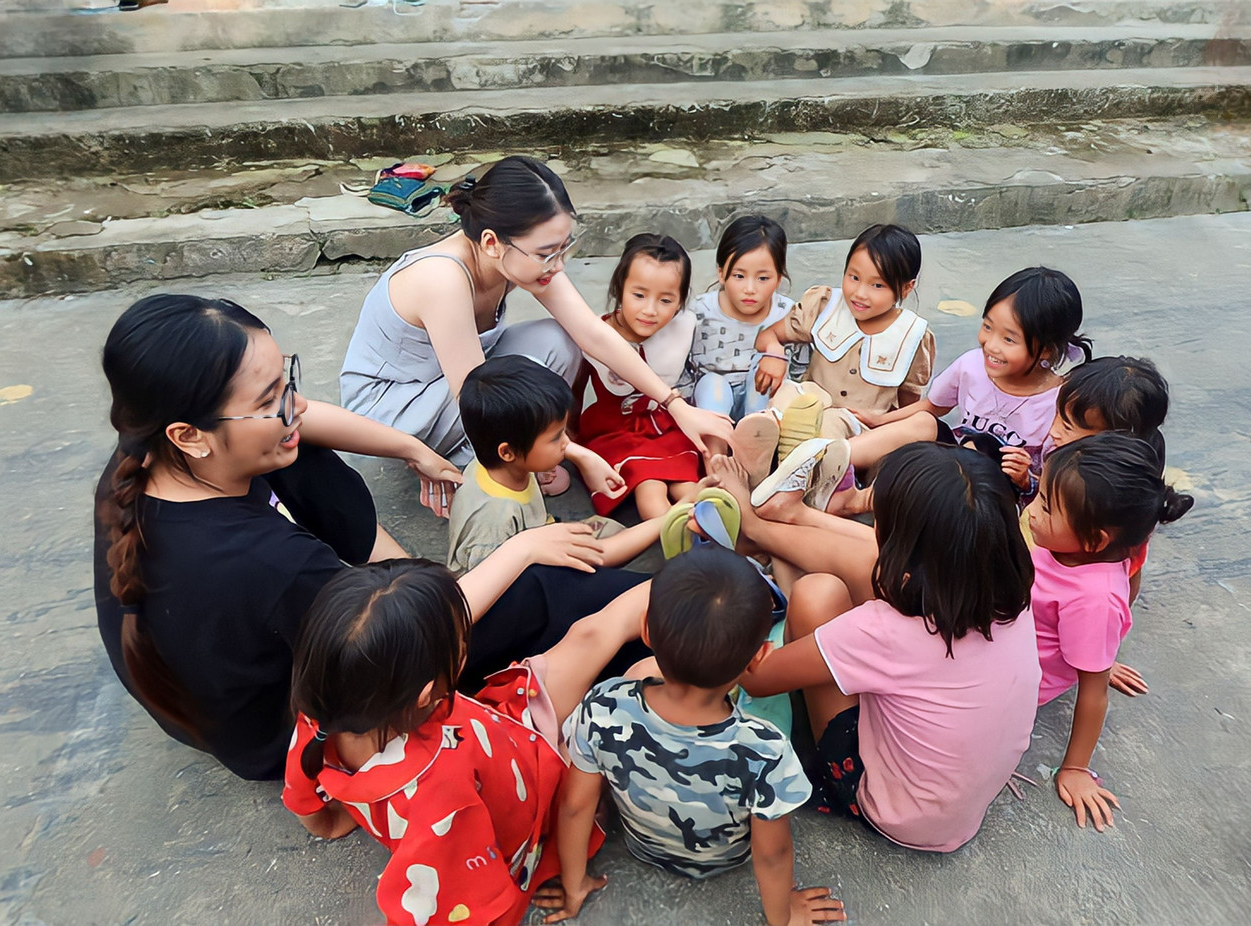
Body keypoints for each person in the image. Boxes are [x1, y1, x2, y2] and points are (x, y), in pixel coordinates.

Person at [93, 294, 623, 781]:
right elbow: (414, 627)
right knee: (534, 587)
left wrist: (410, 449)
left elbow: (306, 419)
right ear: (188, 434)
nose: (295, 404)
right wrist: (521, 547)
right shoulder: (270, 564)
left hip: (242, 684)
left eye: (287, 382)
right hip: (294, 735)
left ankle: (395, 570)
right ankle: (651, 620)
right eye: (271, 399)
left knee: (300, 447)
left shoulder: (148, 458)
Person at [282, 562, 650, 926]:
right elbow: (455, 909)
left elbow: (309, 806)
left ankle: (694, 583)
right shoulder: (441, 799)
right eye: (460, 645)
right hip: (536, 784)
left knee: (595, 633)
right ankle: (695, 585)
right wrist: (572, 880)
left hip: (500, 734)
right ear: (426, 694)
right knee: (618, 664)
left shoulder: (321, 716)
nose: (465, 647)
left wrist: (334, 823)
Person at [339, 155, 731, 483]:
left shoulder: (518, 259)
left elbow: (591, 333)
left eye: (564, 248)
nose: (557, 265)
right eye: (547, 253)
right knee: (521, 379)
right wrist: (578, 454)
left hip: (459, 380)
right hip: (395, 407)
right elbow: (478, 394)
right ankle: (487, 458)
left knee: (561, 340)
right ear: (492, 241)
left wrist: (675, 404)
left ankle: (507, 448)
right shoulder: (441, 279)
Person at [739, 443, 1042, 852]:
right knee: (863, 569)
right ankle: (767, 528)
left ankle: (759, 536)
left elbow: (756, 680)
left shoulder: (883, 632)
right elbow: (886, 552)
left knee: (816, 594)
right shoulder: (1010, 599)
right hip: (956, 806)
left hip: (890, 810)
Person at [545, 548, 844, 926]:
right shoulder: (764, 749)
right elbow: (772, 854)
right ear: (759, 658)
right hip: (727, 858)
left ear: (646, 630)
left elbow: (575, 805)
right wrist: (782, 916)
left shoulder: (602, 706)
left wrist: (574, 885)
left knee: (638, 674)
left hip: (644, 847)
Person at [1024, 432, 1193, 832]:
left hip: (1015, 679)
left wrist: (1076, 767)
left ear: (1094, 540)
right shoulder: (1068, 546)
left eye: (1045, 506)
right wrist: (1101, 653)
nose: (1031, 511)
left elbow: (1094, 694)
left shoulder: (1093, 598)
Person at [842, 267, 1093, 511]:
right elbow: (932, 406)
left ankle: (861, 502)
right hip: (953, 460)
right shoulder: (972, 365)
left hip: (990, 494)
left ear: (1046, 350)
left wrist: (1026, 479)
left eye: (1009, 339)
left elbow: (1056, 483)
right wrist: (880, 420)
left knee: (986, 447)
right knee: (924, 422)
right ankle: (829, 457)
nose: (991, 345)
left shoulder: (1059, 403)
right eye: (987, 327)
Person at [447, 356, 665, 573]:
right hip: (518, 585)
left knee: (611, 531)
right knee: (626, 565)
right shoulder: (495, 520)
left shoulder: (494, 458)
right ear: (507, 452)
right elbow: (486, 584)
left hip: (537, 536)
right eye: (556, 437)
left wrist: (584, 459)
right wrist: (666, 520)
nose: (566, 443)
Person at [747, 224, 936, 467]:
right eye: (853, 277)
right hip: (809, 402)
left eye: (877, 285)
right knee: (789, 395)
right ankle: (760, 441)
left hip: (859, 427)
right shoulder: (825, 306)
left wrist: (886, 433)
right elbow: (768, 336)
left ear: (906, 287)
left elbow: (908, 402)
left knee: (830, 428)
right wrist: (774, 353)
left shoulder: (913, 336)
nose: (859, 293)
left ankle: (801, 466)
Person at [1042, 355, 1174, 697]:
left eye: (1068, 426)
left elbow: (1129, 576)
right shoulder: (1072, 454)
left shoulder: (1122, 499)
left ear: (1114, 444)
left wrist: (1102, 653)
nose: (1053, 430)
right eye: (1057, 415)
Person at [574, 233, 704, 519]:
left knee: (689, 484)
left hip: (666, 427)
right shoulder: (596, 333)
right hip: (614, 433)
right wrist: (568, 444)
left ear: (681, 301)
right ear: (620, 288)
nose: (650, 310)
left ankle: (708, 531)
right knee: (650, 487)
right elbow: (573, 389)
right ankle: (676, 541)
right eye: (639, 295)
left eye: (666, 300)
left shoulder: (682, 329)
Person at [686, 215, 807, 420]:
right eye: (739, 276)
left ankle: (756, 436)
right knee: (713, 383)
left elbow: (800, 372)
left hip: (764, 408)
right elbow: (681, 370)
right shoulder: (698, 312)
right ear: (721, 273)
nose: (750, 289)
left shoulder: (790, 315)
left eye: (763, 278)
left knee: (766, 362)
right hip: (710, 408)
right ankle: (716, 448)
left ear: (778, 278)